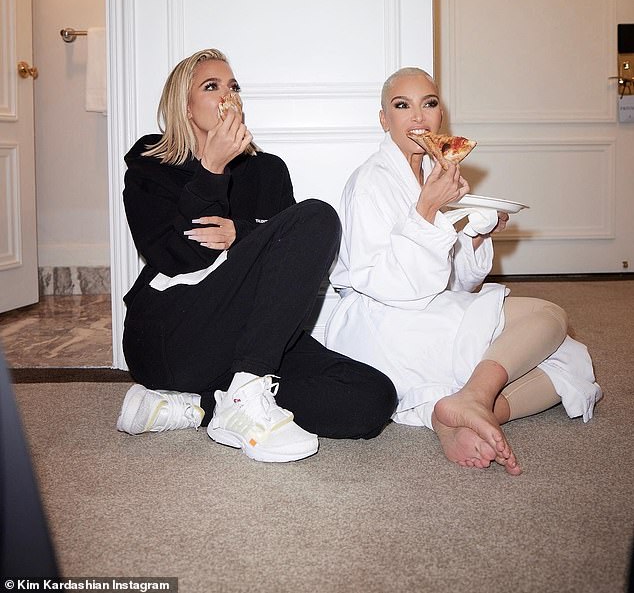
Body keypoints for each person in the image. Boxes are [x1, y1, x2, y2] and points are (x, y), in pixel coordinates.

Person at [116, 48, 397, 463]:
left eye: (234, 86)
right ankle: (243, 391)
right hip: (171, 336)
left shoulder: (267, 170)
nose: (229, 95)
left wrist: (240, 234)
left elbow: (289, 266)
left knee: (371, 399)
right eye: (211, 87)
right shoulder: (150, 163)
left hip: (245, 344)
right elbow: (177, 257)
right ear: (186, 106)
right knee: (318, 215)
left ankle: (204, 406)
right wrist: (211, 168)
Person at [324, 67, 602, 475]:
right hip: (381, 324)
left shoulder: (434, 174)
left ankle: (453, 413)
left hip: (424, 310)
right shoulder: (370, 183)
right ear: (384, 118)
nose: (418, 117)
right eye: (402, 106)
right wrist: (427, 210)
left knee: (573, 360)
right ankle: (474, 396)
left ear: (441, 116)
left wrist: (474, 234)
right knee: (549, 318)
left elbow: (455, 281)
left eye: (429, 104)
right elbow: (389, 285)